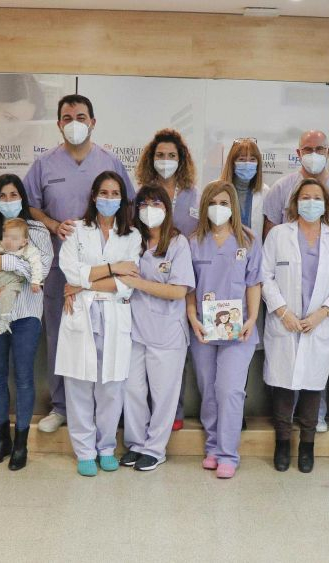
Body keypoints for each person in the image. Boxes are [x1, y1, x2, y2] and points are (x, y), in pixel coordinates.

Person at [24, 94, 135, 433]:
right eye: (68, 117)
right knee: (61, 335)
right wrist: (52, 224)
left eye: (81, 117)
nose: (75, 123)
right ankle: (61, 407)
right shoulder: (44, 165)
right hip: (62, 269)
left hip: (106, 270)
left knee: (105, 339)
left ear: (93, 122)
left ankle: (104, 411)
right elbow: (30, 206)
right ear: (59, 124)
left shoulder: (110, 162)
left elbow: (128, 205)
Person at [261, 178, 329, 473]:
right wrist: (282, 311)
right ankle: (282, 443)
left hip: (318, 324)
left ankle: (307, 446)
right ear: (295, 202)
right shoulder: (279, 234)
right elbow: (264, 276)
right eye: (305, 197)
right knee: (283, 386)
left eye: (316, 198)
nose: (310, 202)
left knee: (313, 386)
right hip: (285, 322)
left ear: (326, 205)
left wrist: (323, 313)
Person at [56, 171, 142, 476]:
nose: (109, 198)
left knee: (111, 389)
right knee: (78, 387)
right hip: (81, 314)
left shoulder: (132, 236)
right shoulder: (76, 230)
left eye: (115, 193)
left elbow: (128, 284)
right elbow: (70, 271)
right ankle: (84, 451)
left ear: (122, 199)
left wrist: (84, 283)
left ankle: (106, 447)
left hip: (115, 315)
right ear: (94, 196)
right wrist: (113, 267)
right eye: (103, 193)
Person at [0, 174, 53, 471]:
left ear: (22, 198)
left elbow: (40, 271)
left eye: (13, 195)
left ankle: (21, 443)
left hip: (25, 316)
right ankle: (1, 440)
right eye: (2, 196)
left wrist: (6, 262)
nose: (8, 201)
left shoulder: (37, 231)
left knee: (23, 378)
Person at [186, 180, 262, 479]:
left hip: (238, 330)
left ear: (234, 207)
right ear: (204, 206)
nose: (218, 209)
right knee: (208, 390)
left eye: (224, 203)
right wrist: (192, 316)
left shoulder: (248, 240)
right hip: (203, 329)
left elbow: (254, 282)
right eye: (213, 203)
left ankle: (229, 453)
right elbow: (188, 285)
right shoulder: (194, 241)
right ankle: (213, 448)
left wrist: (252, 318)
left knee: (229, 390)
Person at [120, 185, 195, 471]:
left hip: (167, 331)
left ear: (167, 209)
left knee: (163, 394)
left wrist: (138, 283)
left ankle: (155, 449)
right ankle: (136, 444)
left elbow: (178, 291)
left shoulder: (177, 243)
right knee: (133, 389)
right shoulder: (131, 241)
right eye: (144, 203)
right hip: (135, 329)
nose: (150, 209)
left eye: (156, 203)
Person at [134, 128, 200, 430]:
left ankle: (175, 412)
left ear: (181, 159)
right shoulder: (144, 196)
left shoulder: (193, 195)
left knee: (177, 352)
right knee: (145, 362)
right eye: (160, 155)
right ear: (151, 158)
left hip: (187, 275)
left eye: (172, 155)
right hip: (153, 280)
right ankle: (147, 417)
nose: (165, 160)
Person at [263, 129, 329, 235]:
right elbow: (270, 232)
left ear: (328, 152)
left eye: (319, 149)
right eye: (308, 149)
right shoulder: (280, 188)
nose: (314, 154)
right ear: (299, 153)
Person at [218, 138, 269, 236]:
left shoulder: (265, 191)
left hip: (253, 244)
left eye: (252, 159)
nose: (247, 164)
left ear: (258, 163)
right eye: (242, 159)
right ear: (232, 163)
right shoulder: (218, 190)